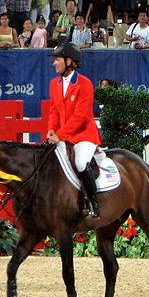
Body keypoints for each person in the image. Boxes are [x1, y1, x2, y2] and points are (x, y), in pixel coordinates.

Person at [47, 42, 103, 218]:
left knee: (79, 162)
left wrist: (60, 135)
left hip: (84, 135)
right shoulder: (54, 84)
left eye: (57, 60)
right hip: (62, 135)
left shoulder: (84, 84)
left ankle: (93, 203)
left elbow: (80, 116)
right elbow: (54, 110)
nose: (54, 63)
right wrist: (50, 130)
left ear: (69, 61)